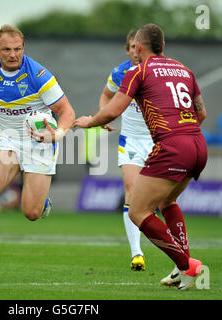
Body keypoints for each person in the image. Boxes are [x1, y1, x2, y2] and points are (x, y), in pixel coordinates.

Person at [75, 23, 207, 290]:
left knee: (137, 210)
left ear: (138, 47)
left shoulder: (138, 71)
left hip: (171, 147)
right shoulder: (185, 70)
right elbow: (201, 113)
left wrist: (90, 122)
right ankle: (180, 268)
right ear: (164, 46)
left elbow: (113, 111)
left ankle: (187, 265)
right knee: (168, 201)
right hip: (197, 145)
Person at [0, 25, 75, 280]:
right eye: (7, 49)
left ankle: (42, 202)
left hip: (40, 141)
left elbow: (67, 112)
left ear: (23, 48)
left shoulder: (38, 74)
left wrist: (56, 135)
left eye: (17, 49)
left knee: (31, 213)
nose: (13, 54)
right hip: (8, 138)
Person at [98, 30, 154, 271]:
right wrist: (103, 115)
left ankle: (177, 254)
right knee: (131, 191)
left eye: (139, 46)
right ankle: (137, 253)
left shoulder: (157, 71)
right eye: (131, 46)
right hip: (130, 140)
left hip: (158, 139)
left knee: (162, 200)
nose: (135, 51)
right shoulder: (120, 72)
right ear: (128, 49)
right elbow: (106, 95)